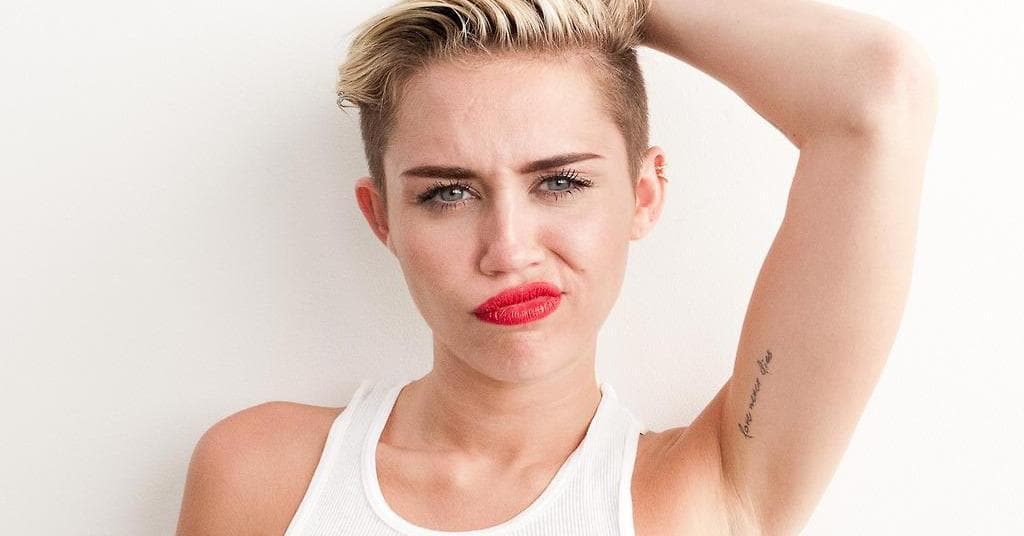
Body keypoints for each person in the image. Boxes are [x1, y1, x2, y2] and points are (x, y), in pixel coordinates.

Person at [175, 0, 938, 534]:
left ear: (643, 194)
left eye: (561, 182)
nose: (509, 249)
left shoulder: (702, 498)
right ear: (383, 220)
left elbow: (879, 89)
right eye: (447, 193)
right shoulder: (262, 476)